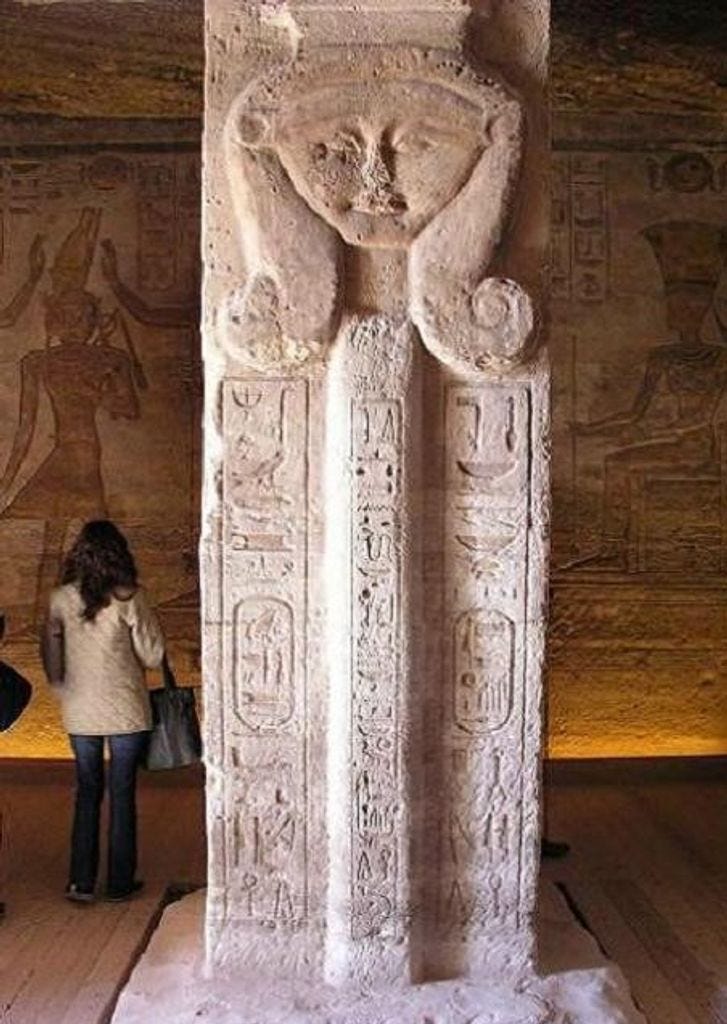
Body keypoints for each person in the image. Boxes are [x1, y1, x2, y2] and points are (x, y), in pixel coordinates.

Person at [40, 520, 165, 903]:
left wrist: (63, 687)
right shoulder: (129, 597)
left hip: (80, 708)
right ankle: (119, 882)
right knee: (122, 793)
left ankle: (80, 881)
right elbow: (154, 655)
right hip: (126, 708)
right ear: (119, 553)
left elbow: (50, 655)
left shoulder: (60, 599)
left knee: (87, 790)